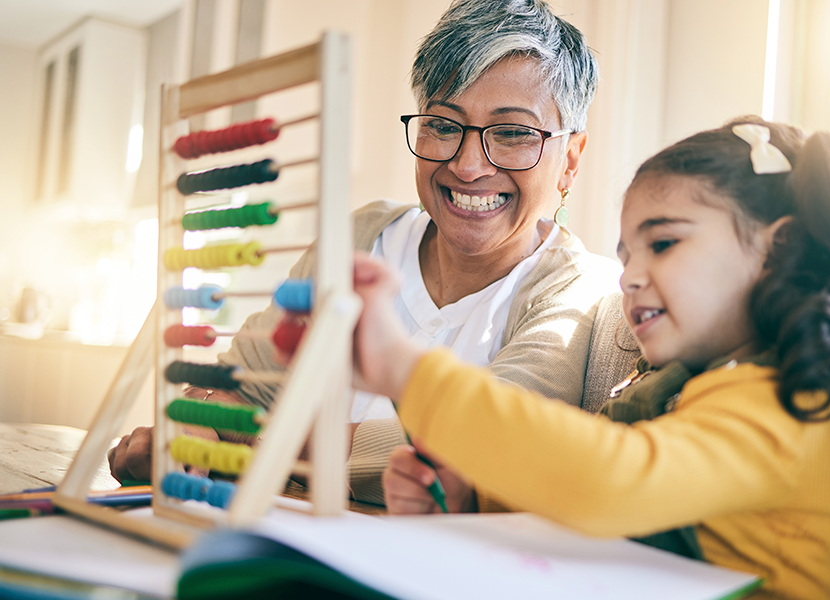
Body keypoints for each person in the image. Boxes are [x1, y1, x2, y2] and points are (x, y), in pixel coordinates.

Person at [353, 116, 830, 599]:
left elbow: (608, 482)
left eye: (662, 245)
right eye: (627, 255)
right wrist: (472, 497)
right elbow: (613, 519)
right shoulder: (690, 390)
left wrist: (407, 370)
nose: (631, 277)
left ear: (774, 253)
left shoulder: (783, 411)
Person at [108, 0, 624, 505]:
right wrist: (202, 432)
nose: (468, 166)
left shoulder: (577, 293)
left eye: (513, 133)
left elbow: (478, 449)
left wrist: (258, 440)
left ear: (570, 159)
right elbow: (241, 390)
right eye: (443, 125)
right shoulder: (359, 239)